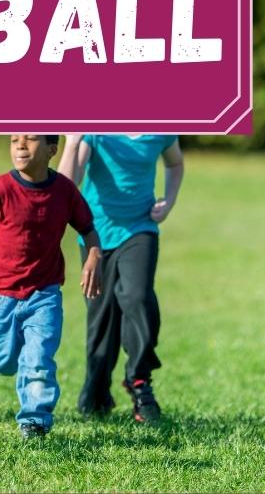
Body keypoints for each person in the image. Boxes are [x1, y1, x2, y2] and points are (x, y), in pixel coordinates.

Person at [0, 134, 102, 441]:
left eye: (30, 140)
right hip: (0, 294)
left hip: (44, 293)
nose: (20, 145)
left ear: (52, 150)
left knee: (40, 358)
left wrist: (93, 257)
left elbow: (89, 229)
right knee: (3, 362)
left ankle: (35, 421)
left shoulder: (64, 191)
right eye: (14, 139)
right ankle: (11, 360)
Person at [61, 133, 184, 423]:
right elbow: (67, 187)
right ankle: (97, 388)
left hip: (140, 228)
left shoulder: (162, 129)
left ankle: (139, 381)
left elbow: (176, 164)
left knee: (137, 297)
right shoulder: (95, 129)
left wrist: (169, 201)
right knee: (100, 315)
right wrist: (72, 143)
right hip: (95, 235)